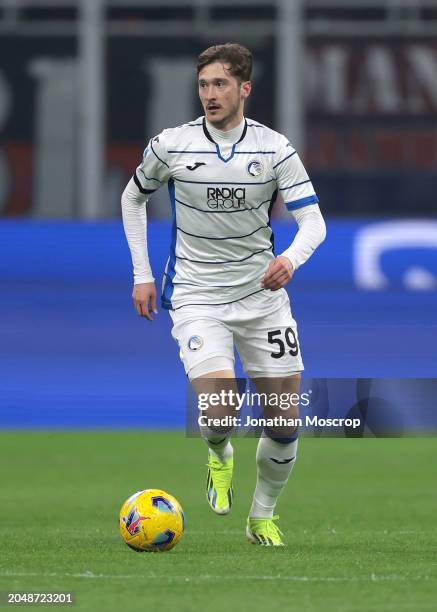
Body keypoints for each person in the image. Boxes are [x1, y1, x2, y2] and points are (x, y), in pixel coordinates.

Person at [121, 43, 326, 546]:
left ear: (244, 89)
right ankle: (219, 452)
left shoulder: (275, 149)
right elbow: (133, 198)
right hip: (197, 296)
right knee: (220, 410)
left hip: (262, 300)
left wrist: (290, 260)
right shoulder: (171, 144)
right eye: (203, 85)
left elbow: (313, 221)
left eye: (220, 84)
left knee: (284, 419)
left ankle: (261, 518)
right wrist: (142, 273)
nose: (210, 94)